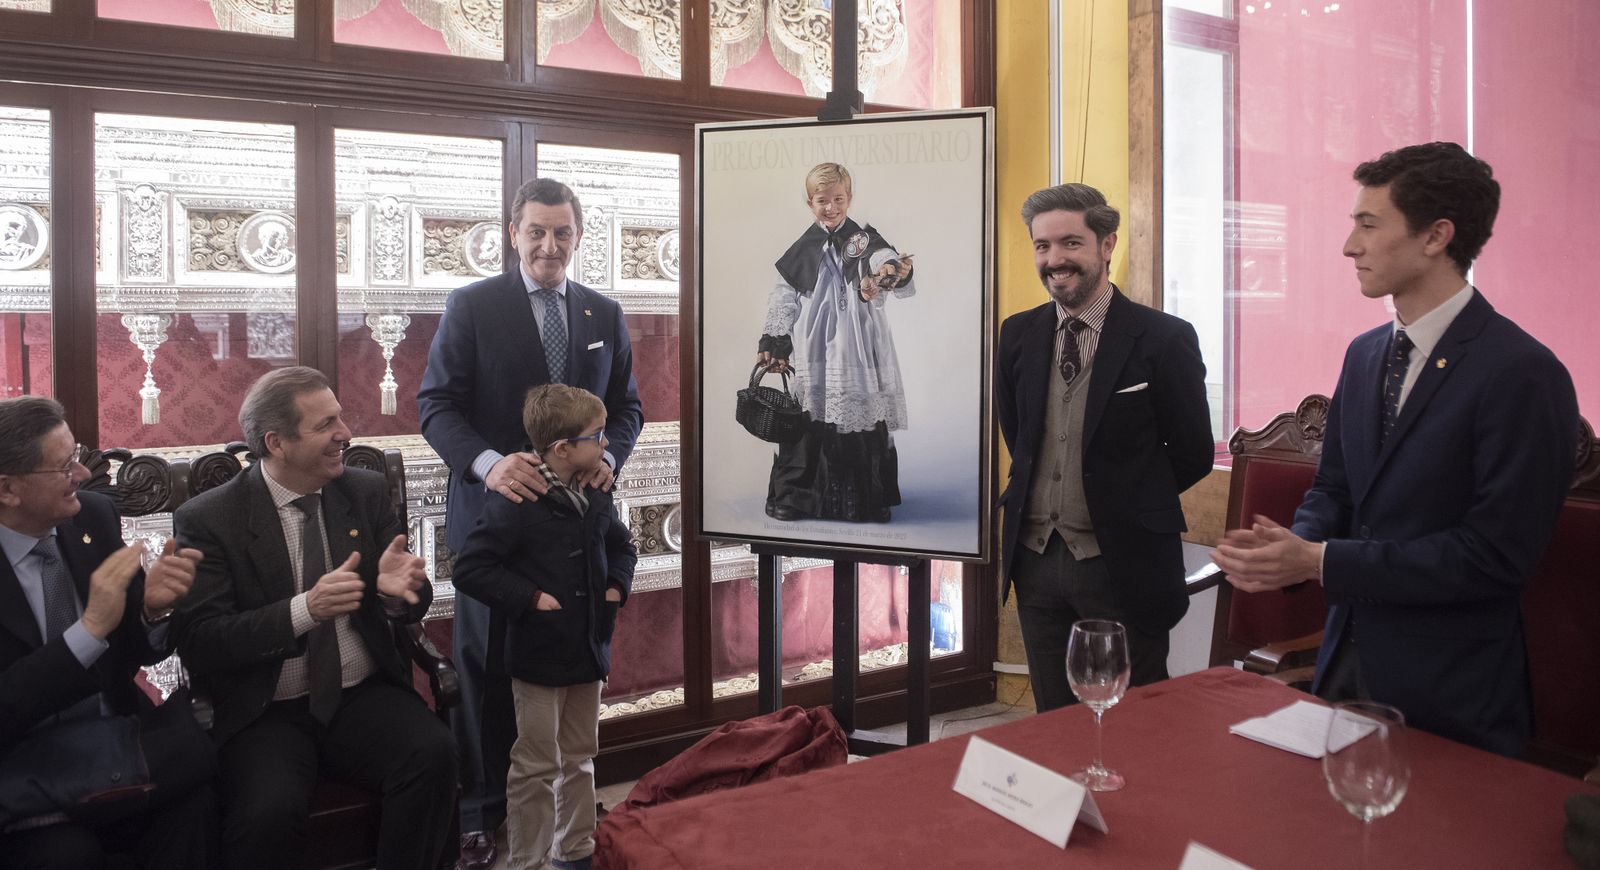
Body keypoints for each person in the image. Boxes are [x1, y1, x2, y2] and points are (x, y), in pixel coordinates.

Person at [1211, 142, 1578, 756]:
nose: (1349, 246)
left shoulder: (1523, 373)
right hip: (1342, 671)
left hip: (1454, 699)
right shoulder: (1365, 353)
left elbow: (1492, 557)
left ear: (1436, 236)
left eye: (1368, 224)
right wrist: (1289, 549)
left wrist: (1319, 561)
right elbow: (1336, 488)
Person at [418, 177, 643, 870]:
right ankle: (487, 815)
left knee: (573, 668)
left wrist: (611, 461)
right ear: (512, 232)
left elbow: (627, 409)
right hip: (499, 519)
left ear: (578, 236)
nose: (550, 245)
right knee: (489, 669)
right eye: (537, 231)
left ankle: (571, 816)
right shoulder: (472, 306)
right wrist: (489, 464)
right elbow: (435, 406)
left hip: (579, 529)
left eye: (563, 233)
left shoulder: (604, 314)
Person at [172, 367, 456, 870]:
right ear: (277, 442)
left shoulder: (364, 493)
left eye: (341, 418)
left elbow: (410, 593)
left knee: (433, 752)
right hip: (267, 710)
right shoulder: (212, 518)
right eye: (327, 424)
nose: (345, 434)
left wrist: (398, 593)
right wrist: (305, 609)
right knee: (267, 813)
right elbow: (202, 640)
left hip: (360, 694)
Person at [996, 183, 1213, 711]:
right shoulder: (1018, 334)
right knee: (1053, 717)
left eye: (1070, 243)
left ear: (1107, 243)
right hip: (1036, 560)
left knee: (1134, 720)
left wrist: (1128, 502)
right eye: (1042, 246)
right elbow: (1019, 434)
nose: (1054, 260)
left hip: (1124, 563)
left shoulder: (1163, 338)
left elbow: (1192, 452)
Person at [0, 396, 216, 869]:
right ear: (7, 489)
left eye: (75, 455)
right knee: (67, 854)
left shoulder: (92, 517)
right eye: (62, 468)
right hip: (24, 771)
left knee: (195, 803)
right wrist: (89, 629)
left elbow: (131, 655)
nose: (81, 474)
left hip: (112, 747)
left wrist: (151, 612)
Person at [452, 384, 635, 870]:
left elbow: (621, 546)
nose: (606, 444)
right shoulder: (517, 500)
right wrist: (532, 600)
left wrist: (616, 586)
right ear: (562, 449)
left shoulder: (594, 491)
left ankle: (575, 849)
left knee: (580, 754)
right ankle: (527, 860)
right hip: (537, 652)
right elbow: (471, 568)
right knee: (535, 765)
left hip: (589, 647)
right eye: (598, 436)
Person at [755, 162, 916, 523]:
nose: (831, 208)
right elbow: (784, 294)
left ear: (850, 198)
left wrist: (894, 271)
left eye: (838, 199)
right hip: (817, 340)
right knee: (810, 418)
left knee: (861, 416)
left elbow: (883, 260)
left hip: (860, 341)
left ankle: (866, 499)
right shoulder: (804, 246)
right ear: (810, 203)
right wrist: (776, 336)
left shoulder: (865, 239)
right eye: (822, 201)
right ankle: (798, 497)